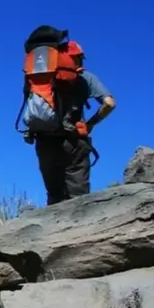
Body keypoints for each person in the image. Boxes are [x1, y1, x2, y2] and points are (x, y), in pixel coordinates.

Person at [25, 37, 115, 204]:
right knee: (79, 196)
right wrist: (91, 123)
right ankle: (81, 228)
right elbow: (109, 103)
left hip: (45, 139)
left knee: (54, 194)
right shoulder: (85, 77)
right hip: (74, 140)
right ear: (78, 57)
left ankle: (55, 228)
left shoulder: (41, 77)